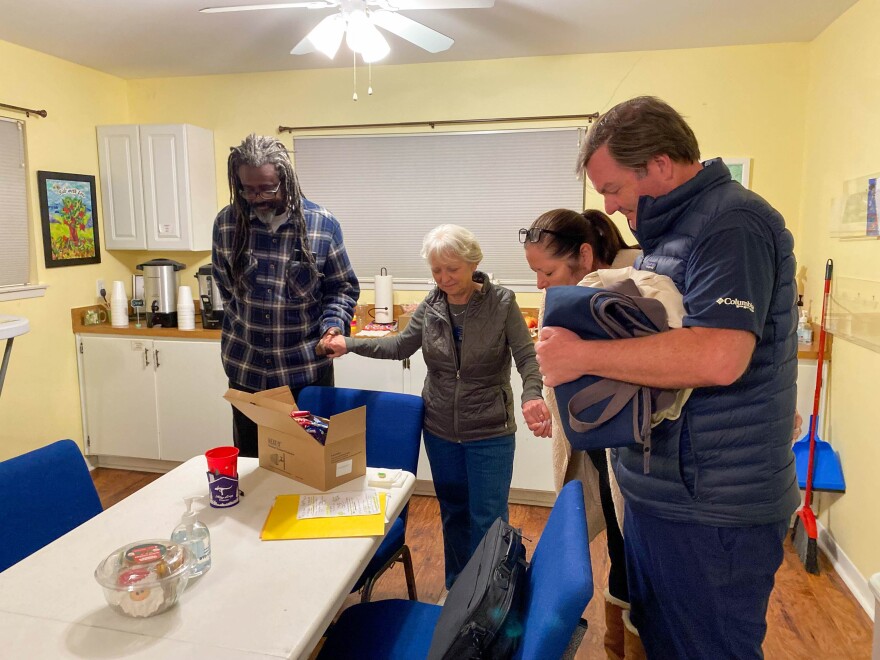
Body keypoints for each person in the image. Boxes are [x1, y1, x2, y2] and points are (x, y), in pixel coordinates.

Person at [536, 96, 799, 659]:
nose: (607, 205)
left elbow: (718, 356)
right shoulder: (673, 230)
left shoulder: (733, 223)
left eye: (612, 189)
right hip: (666, 494)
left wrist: (583, 358)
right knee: (662, 642)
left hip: (713, 510)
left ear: (658, 164)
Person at [324, 224, 548, 592]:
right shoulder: (430, 307)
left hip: (489, 429)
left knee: (489, 519)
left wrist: (532, 395)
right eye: (436, 270)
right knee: (454, 512)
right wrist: (348, 344)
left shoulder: (503, 303)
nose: (444, 278)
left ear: (473, 263)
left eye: (452, 269)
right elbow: (398, 346)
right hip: (440, 429)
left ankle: (490, 598)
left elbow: (526, 358)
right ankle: (457, 589)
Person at [522, 208, 645, 660]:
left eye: (547, 271)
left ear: (586, 254)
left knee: (637, 557)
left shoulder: (632, 289)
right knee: (617, 544)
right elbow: (550, 359)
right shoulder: (566, 295)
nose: (539, 284)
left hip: (635, 453)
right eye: (534, 272)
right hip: (597, 447)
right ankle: (618, 646)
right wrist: (542, 400)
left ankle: (630, 644)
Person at [212, 134, 359, 458]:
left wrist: (332, 327)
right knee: (253, 469)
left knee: (309, 466)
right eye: (247, 189)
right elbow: (226, 287)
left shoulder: (321, 224)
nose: (256, 197)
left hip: (305, 377)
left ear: (286, 178)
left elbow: (341, 288)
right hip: (246, 373)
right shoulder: (226, 223)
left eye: (267, 188)